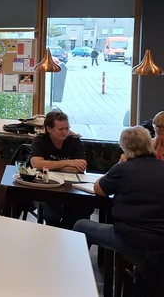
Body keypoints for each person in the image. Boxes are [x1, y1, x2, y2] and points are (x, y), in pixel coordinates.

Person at [74, 126, 164, 264]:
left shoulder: (123, 168)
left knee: (81, 226)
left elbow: (98, 189)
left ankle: (77, 273)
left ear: (125, 148)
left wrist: (120, 163)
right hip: (160, 242)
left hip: (131, 240)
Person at [29, 110, 93, 229]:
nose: (65, 132)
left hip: (71, 187)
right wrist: (69, 162)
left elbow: (80, 167)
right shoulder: (40, 141)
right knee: (52, 214)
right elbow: (36, 164)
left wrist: (49, 165)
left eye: (67, 128)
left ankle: (67, 234)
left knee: (82, 210)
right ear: (49, 129)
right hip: (47, 186)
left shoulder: (73, 141)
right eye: (61, 129)